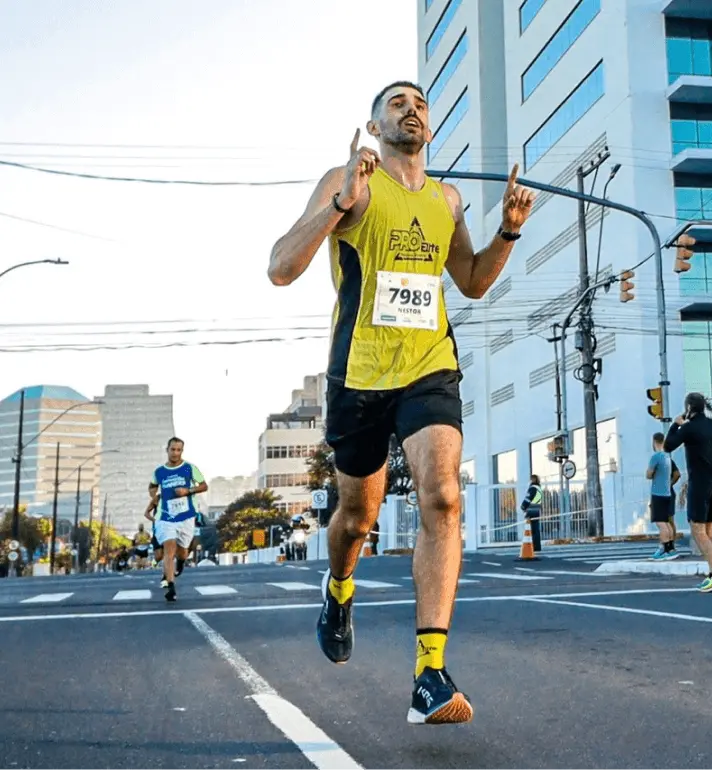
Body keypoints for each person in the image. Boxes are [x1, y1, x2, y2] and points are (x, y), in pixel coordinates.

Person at [268, 80, 535, 724]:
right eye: (396, 102)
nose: (411, 108)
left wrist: (507, 231)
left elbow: (470, 282)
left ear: (430, 124)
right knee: (356, 518)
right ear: (373, 124)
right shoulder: (348, 179)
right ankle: (338, 590)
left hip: (428, 367)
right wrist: (339, 203)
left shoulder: (446, 198)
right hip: (358, 373)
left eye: (419, 102)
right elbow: (281, 266)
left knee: (443, 495)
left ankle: (429, 673)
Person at [663, 392, 712, 593]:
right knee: (709, 530)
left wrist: (675, 424)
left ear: (688, 408)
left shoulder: (688, 428)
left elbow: (668, 446)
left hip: (699, 482)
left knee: (697, 529)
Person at [148, 437, 208, 601]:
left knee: (182, 552)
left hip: (186, 516)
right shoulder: (159, 471)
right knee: (169, 550)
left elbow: (203, 485)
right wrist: (155, 497)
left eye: (178, 450)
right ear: (167, 450)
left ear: (182, 451)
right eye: (172, 449)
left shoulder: (189, 468)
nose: (175, 453)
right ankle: (171, 587)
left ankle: (181, 563)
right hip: (165, 517)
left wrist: (187, 491)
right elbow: (152, 486)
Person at [647, 433, 679, 560]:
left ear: (654, 441)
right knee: (667, 522)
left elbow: (648, 474)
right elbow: (676, 474)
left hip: (658, 494)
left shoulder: (655, 457)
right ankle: (671, 548)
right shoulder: (667, 457)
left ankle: (664, 549)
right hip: (667, 493)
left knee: (661, 524)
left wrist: (652, 472)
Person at [519, 474, 543, 551]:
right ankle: (537, 547)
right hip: (537, 510)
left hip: (531, 510)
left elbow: (527, 499)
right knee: (536, 530)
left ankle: (532, 546)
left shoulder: (532, 488)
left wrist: (523, 507)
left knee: (531, 529)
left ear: (532, 480)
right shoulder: (539, 488)